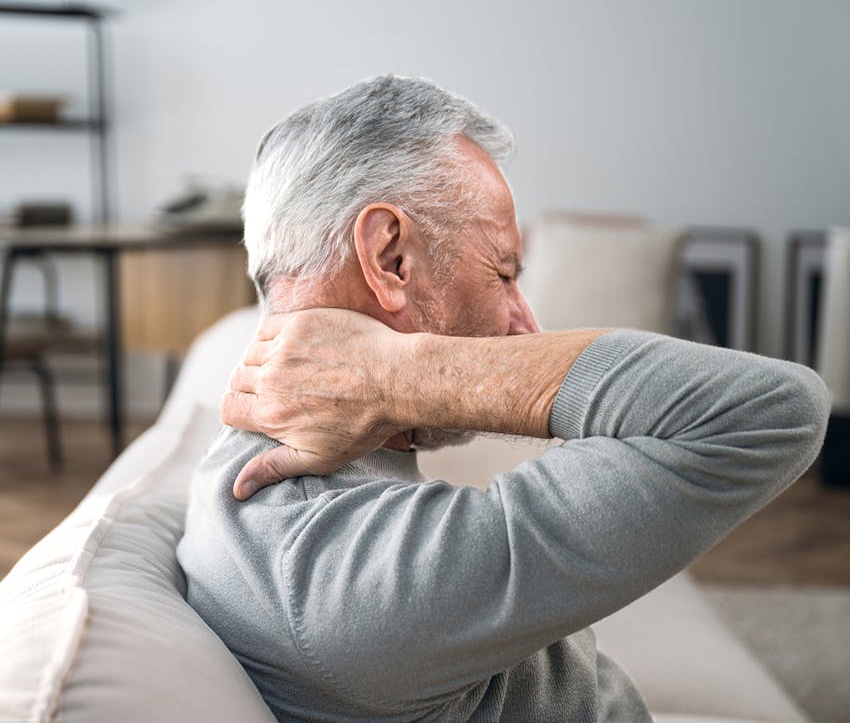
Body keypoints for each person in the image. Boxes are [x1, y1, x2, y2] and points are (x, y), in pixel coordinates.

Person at [177, 75, 829, 722]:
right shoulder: (339, 575)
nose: (526, 326)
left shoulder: (271, 492)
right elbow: (773, 410)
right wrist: (394, 372)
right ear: (391, 258)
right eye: (504, 273)